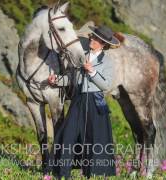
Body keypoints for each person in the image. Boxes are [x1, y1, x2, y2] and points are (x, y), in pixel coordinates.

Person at [47, 25, 120, 179]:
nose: (91, 39)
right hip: (78, 99)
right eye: (91, 37)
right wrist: (57, 80)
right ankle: (63, 174)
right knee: (67, 135)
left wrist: (92, 71)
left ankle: (92, 174)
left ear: (103, 44)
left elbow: (106, 85)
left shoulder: (107, 62)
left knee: (94, 139)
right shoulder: (82, 56)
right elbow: (72, 78)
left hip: (95, 101)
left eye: (95, 38)